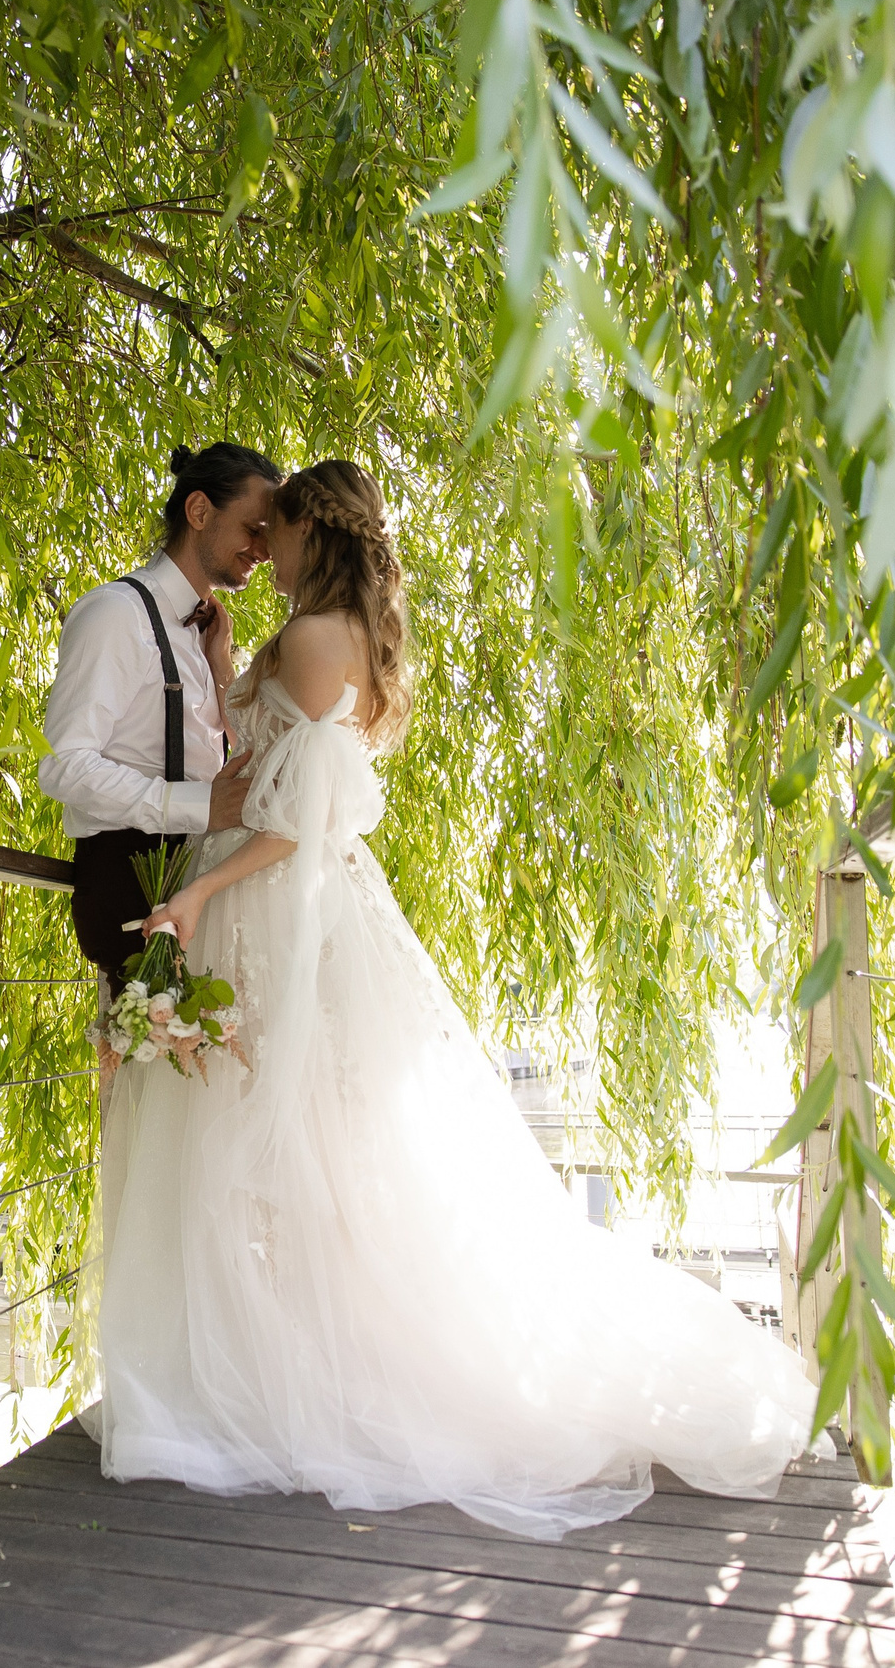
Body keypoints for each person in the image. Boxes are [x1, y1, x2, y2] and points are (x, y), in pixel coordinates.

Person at [88, 458, 821, 1539]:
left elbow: (292, 813)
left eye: (274, 532)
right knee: (327, 1147)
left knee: (277, 1137)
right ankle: (309, 1363)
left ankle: (284, 1380)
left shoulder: (308, 635)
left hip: (273, 898)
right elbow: (294, 753)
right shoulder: (348, 636)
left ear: (305, 529)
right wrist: (227, 663)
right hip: (322, 908)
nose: (265, 552)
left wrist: (199, 891)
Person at [41, 442, 280, 985]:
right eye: (253, 528)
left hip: (195, 890)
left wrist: (221, 661)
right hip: (132, 885)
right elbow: (62, 765)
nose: (264, 549)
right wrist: (201, 805)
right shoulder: (116, 614)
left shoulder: (203, 631)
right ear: (199, 512)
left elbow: (218, 740)